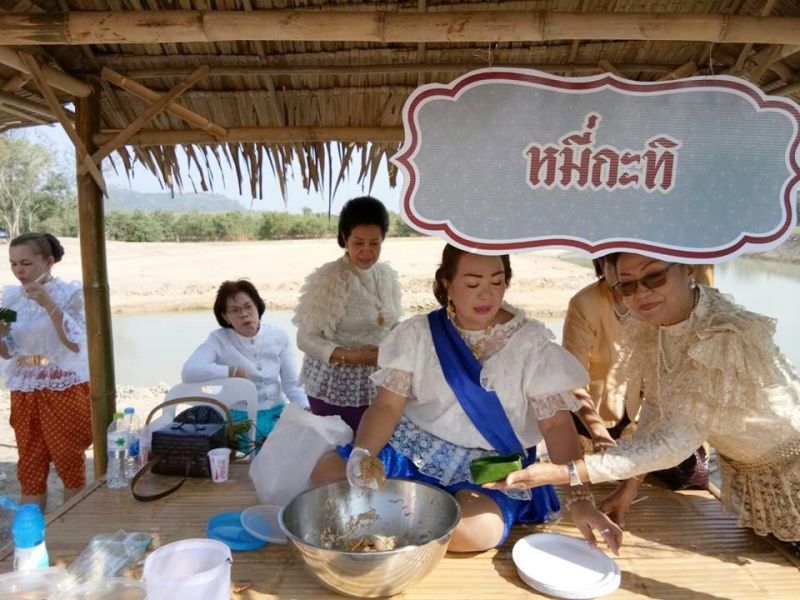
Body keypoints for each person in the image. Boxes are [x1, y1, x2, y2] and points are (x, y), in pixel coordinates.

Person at [311, 245, 622, 553]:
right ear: (448, 283)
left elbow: (556, 425)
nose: (486, 294)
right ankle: (407, 518)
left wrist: (580, 501)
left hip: (489, 465)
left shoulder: (532, 345)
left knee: (474, 532)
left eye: (497, 282)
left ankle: (391, 523)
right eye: (473, 284)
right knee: (326, 474)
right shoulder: (419, 334)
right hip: (416, 450)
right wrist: (363, 453)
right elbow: (387, 406)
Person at [487, 253, 800, 542]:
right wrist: (630, 487)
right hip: (748, 471)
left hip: (791, 467)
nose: (641, 293)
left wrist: (561, 473)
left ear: (688, 267)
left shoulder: (723, 334)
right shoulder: (659, 323)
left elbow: (673, 444)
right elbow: (656, 408)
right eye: (627, 285)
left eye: (654, 277)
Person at [563, 257, 711, 490]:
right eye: (623, 276)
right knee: (598, 472)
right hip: (595, 413)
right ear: (602, 265)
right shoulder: (585, 303)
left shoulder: (660, 303)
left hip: (645, 413)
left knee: (692, 477)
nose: (637, 288)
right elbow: (571, 378)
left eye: (650, 276)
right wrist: (598, 432)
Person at [293, 196, 402, 432]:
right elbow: (305, 338)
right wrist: (352, 356)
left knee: (373, 451)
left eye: (374, 243)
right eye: (358, 243)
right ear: (344, 239)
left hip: (378, 384)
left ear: (383, 238)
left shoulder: (387, 276)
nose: (366, 251)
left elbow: (392, 325)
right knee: (339, 451)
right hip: (333, 389)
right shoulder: (330, 278)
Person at [0, 233, 92, 511]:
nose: (19, 271)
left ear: (49, 261)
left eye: (26, 263)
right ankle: (31, 540)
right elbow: (9, 351)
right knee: (30, 466)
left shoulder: (69, 293)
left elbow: (76, 343)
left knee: (69, 463)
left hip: (63, 387)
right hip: (25, 388)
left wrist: (49, 304)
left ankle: (73, 535)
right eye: (13, 264)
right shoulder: (11, 296)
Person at [182, 279, 308, 447]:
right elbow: (189, 371)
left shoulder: (279, 336)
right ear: (225, 317)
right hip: (238, 419)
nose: (244, 314)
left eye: (248, 306)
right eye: (235, 310)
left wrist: (307, 409)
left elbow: (292, 384)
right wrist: (231, 371)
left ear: (258, 307)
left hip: (277, 414)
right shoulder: (218, 339)